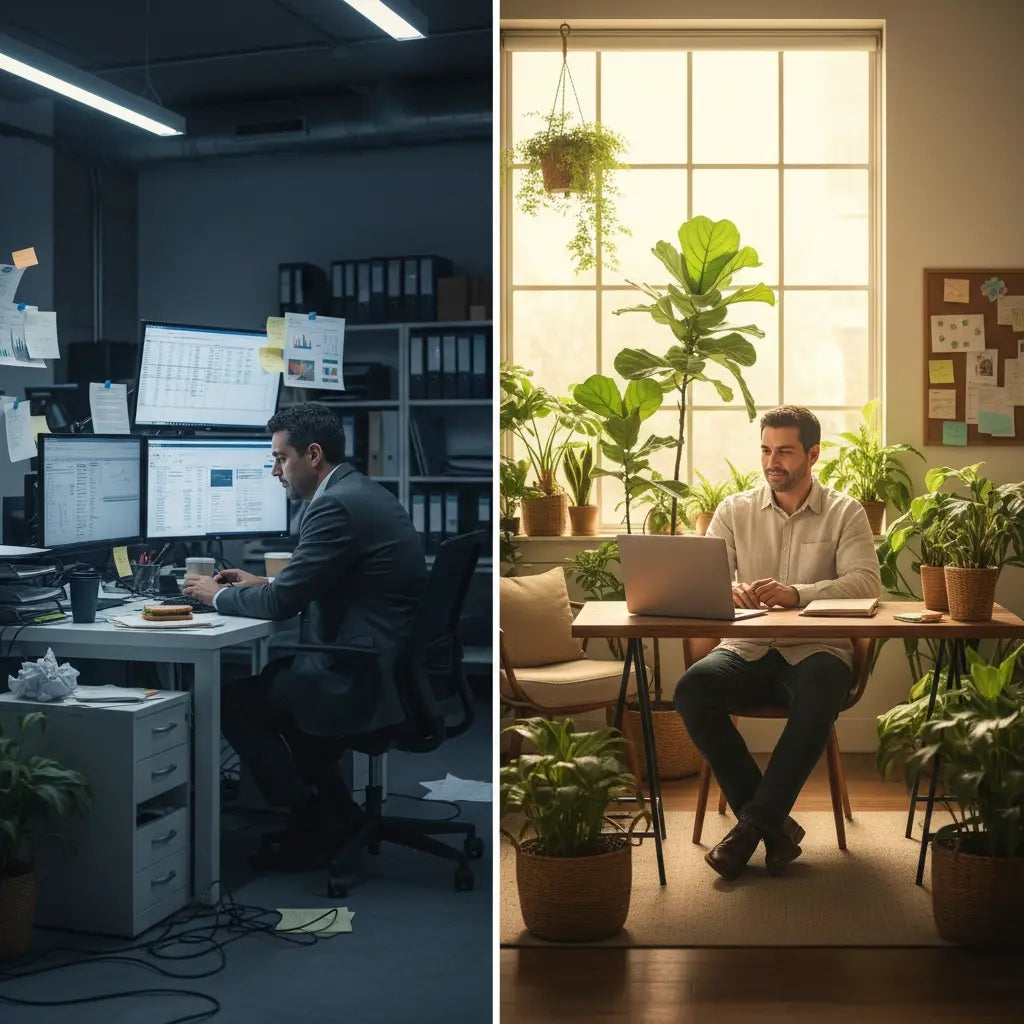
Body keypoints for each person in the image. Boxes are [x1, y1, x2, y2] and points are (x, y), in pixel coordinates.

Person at [184, 402, 427, 870]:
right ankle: (333, 813)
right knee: (276, 682)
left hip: (359, 673)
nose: (276, 472)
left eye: (281, 458)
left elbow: (281, 606)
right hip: (385, 662)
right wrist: (263, 582)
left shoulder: (333, 505)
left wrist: (217, 595)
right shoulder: (357, 489)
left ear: (312, 455)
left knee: (234, 701)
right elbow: (323, 579)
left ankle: (311, 817)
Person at [673, 405, 881, 881]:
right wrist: (729, 590)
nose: (772, 461)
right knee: (692, 690)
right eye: (766, 450)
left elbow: (866, 582)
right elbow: (706, 579)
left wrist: (797, 594)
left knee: (823, 688)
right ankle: (771, 828)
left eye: (785, 451)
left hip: (816, 651)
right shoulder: (733, 510)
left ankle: (751, 829)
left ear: (813, 454)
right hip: (744, 649)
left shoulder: (845, 512)